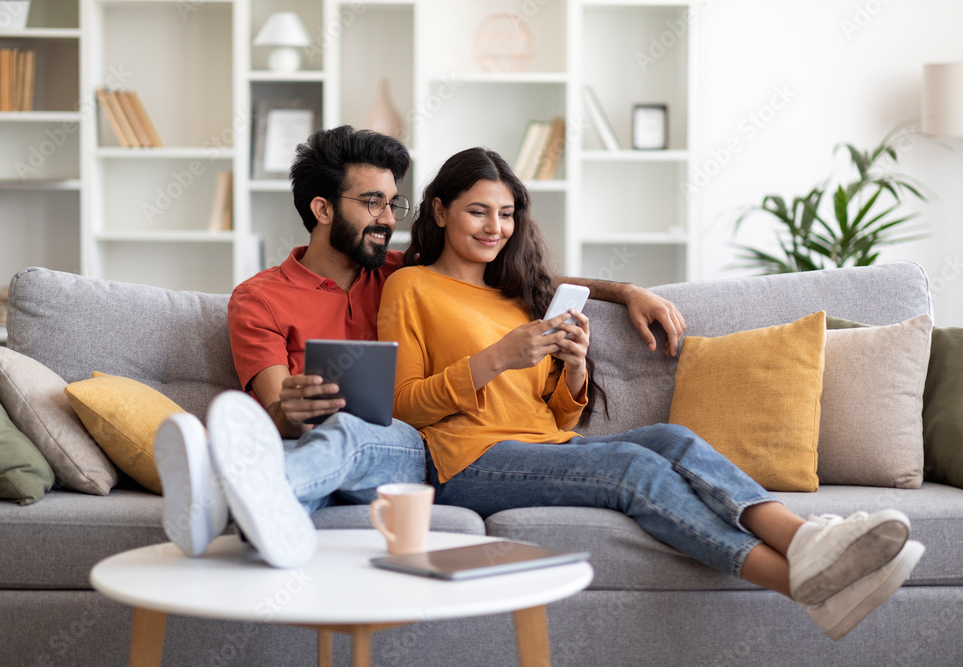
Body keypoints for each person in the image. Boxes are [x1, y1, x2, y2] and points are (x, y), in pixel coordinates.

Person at [375, 146, 925, 641]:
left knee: (672, 439)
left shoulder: (519, 297)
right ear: (441, 210)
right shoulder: (411, 286)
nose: (494, 227)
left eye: (506, 213)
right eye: (478, 211)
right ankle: (802, 583)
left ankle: (807, 542)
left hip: (541, 446)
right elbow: (400, 405)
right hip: (464, 463)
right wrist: (495, 358)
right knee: (631, 468)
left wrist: (571, 371)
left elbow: (557, 421)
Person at [154, 126, 687, 569]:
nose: (388, 219)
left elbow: (513, 274)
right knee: (341, 436)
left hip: (408, 446)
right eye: (371, 203)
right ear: (321, 208)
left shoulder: (397, 270)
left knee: (358, 437)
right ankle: (259, 506)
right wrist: (289, 411)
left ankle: (220, 499)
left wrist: (625, 291)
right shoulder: (259, 299)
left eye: (393, 202)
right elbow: (278, 412)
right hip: (324, 443)